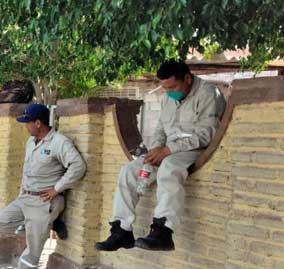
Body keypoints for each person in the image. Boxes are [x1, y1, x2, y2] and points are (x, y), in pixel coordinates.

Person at [95, 60, 226, 252]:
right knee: (130, 171)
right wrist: (155, 150)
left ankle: (163, 232)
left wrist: (167, 151)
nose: (169, 92)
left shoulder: (208, 94)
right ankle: (121, 231)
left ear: (188, 79)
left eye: (173, 87)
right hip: (167, 150)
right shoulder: (168, 98)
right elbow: (160, 130)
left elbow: (208, 134)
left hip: (193, 149)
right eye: (165, 88)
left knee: (169, 168)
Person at [0, 104, 86, 269]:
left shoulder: (59, 142)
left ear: (38, 123)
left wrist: (57, 189)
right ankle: (49, 223)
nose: (25, 126)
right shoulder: (31, 141)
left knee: (34, 248)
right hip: (25, 197)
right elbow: (26, 172)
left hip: (42, 202)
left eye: (27, 122)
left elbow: (78, 166)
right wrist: (21, 193)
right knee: (2, 221)